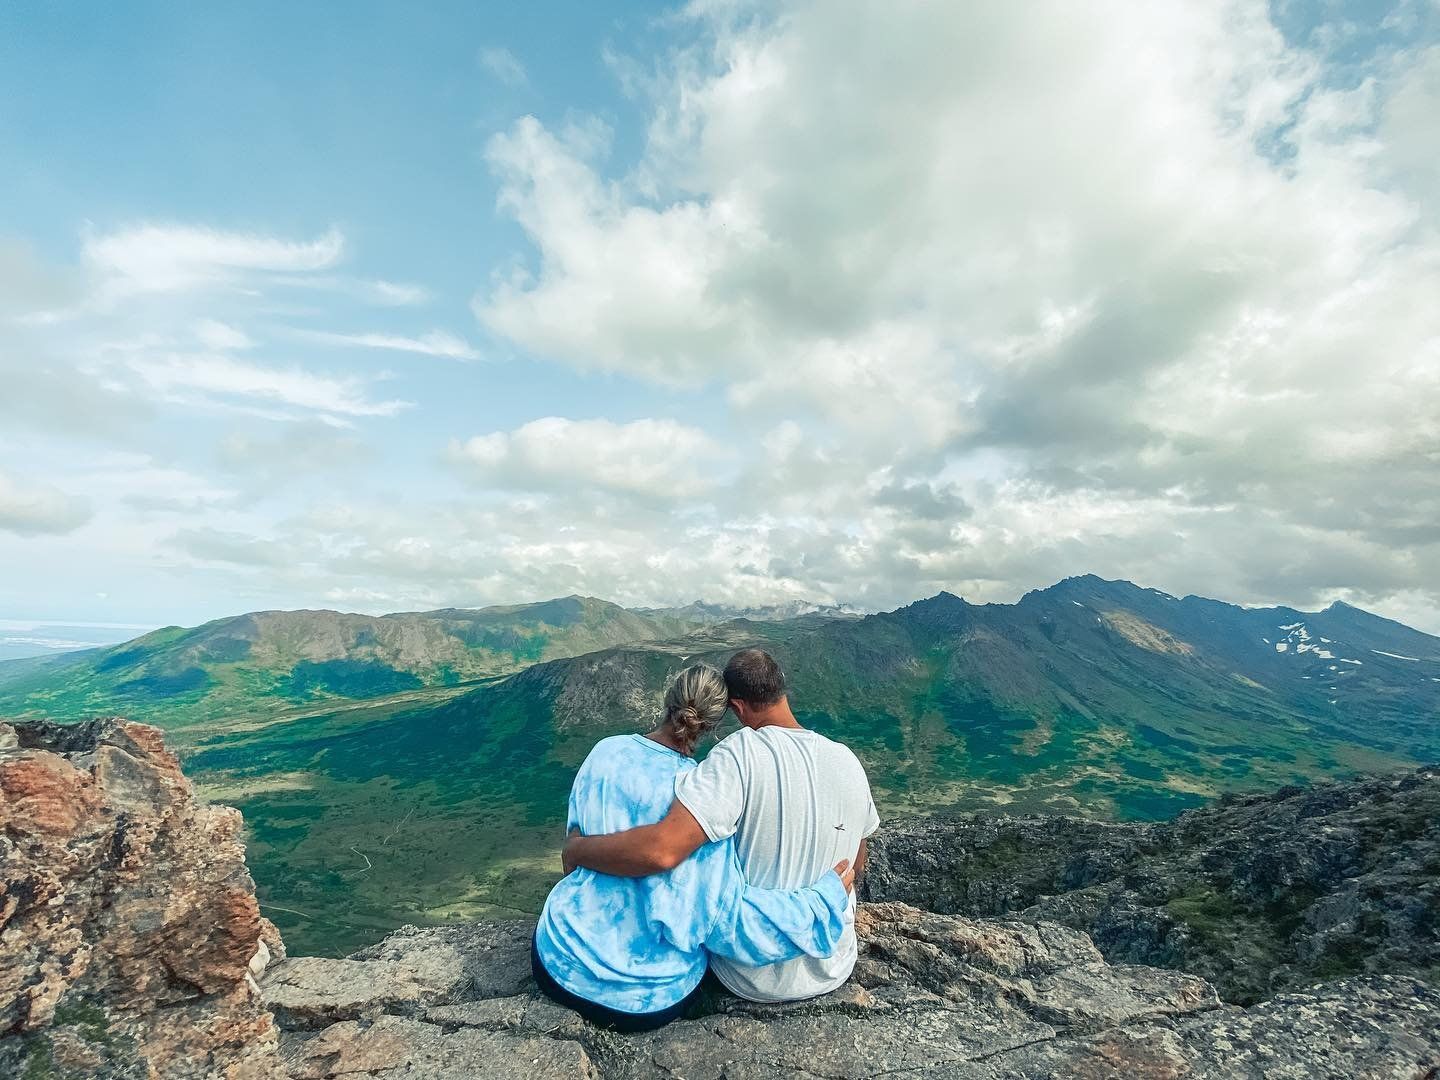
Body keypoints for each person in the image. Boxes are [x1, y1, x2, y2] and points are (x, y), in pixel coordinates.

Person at [532, 662, 854, 1032]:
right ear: (714, 725)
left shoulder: (605, 752)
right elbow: (727, 919)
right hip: (644, 996)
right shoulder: (698, 802)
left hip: (556, 957)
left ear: (669, 700)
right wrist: (822, 901)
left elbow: (576, 846)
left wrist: (576, 851)